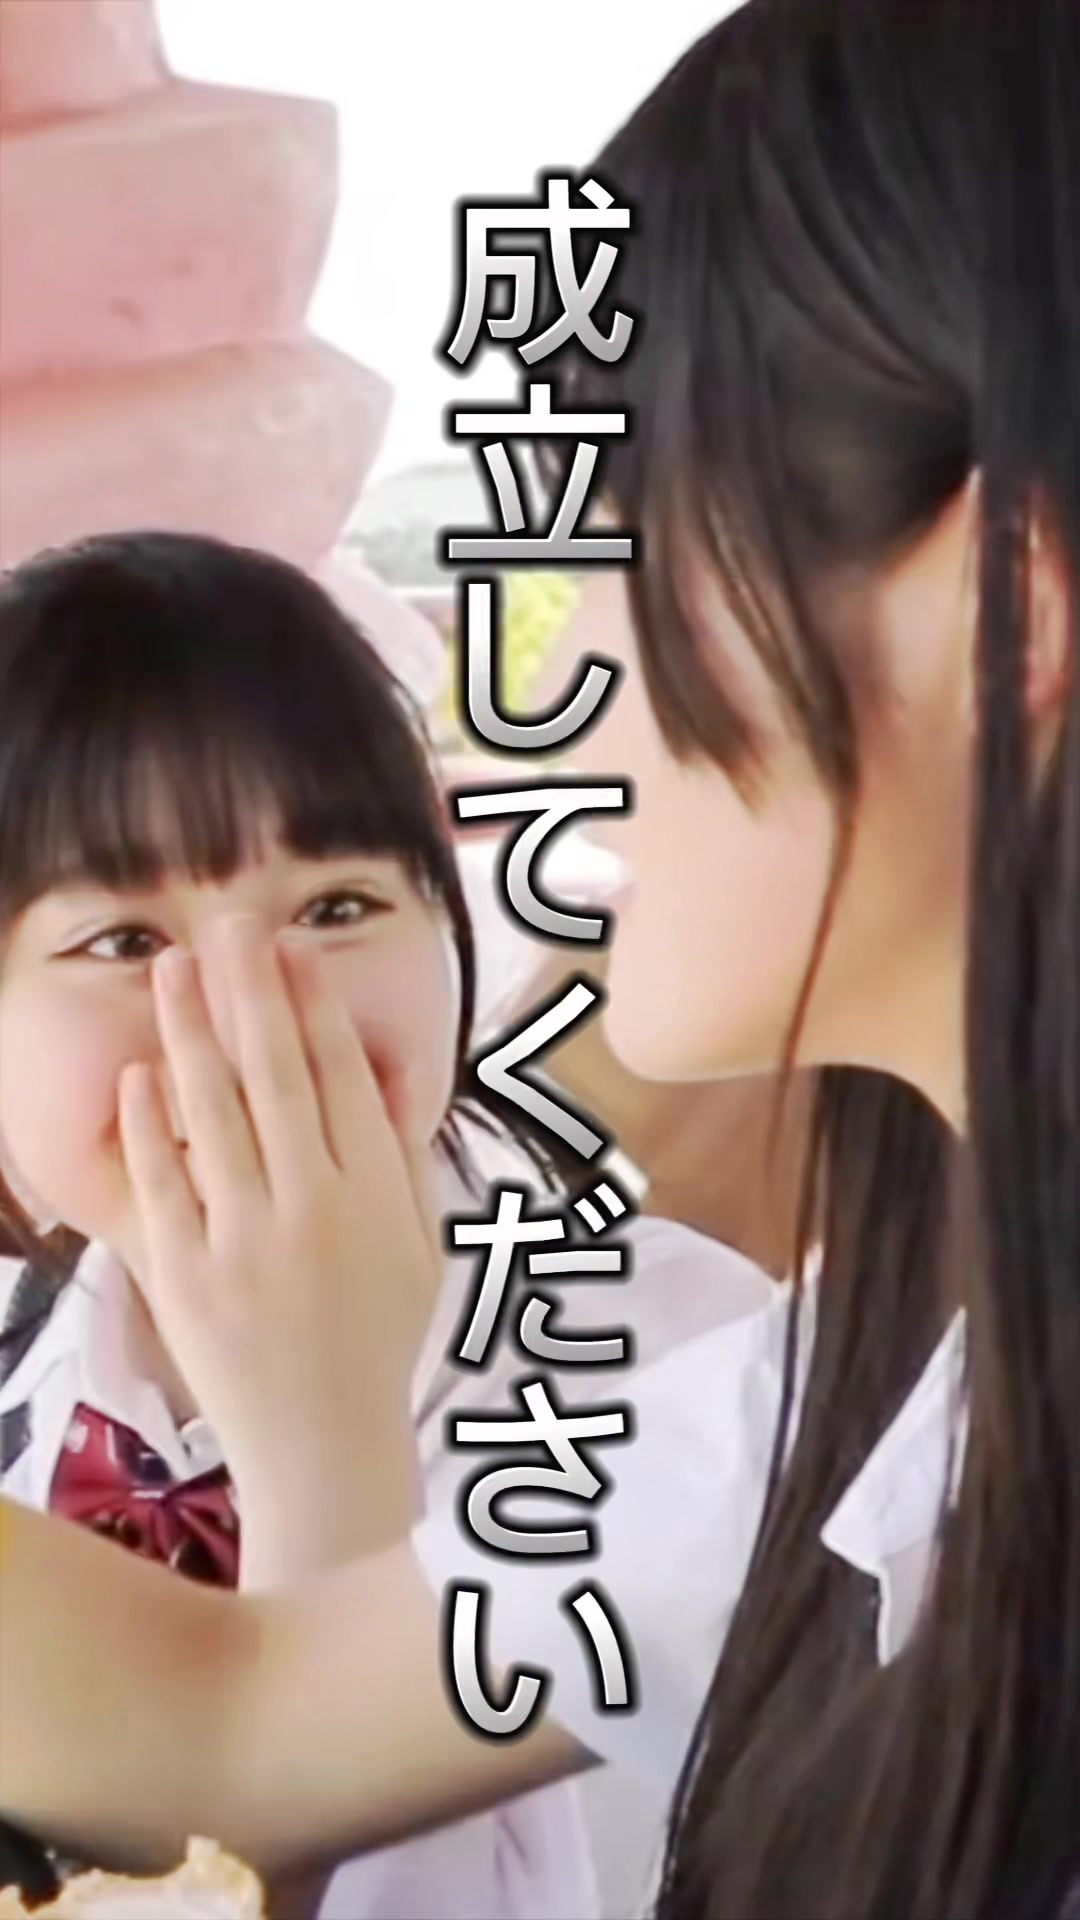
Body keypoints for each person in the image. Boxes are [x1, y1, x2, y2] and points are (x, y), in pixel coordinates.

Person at [1, 0, 1077, 1911]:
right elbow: (228, 1718)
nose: (559, 709)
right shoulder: (867, 1380)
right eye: (121, 936)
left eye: (622, 554)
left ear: (1003, 603)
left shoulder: (662, 1347)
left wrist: (327, 1430)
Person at [0, 530, 772, 1917]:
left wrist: (326, 1440)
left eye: (337, 906)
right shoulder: (21, 1378)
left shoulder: (689, 1372)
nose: (251, 1011)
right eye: (124, 941)